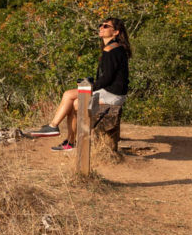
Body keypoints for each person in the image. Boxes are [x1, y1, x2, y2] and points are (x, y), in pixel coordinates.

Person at [29, 18, 131, 151]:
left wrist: (89, 87)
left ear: (116, 32)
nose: (101, 27)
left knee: (71, 97)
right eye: (100, 25)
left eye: (106, 26)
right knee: (74, 102)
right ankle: (68, 141)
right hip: (111, 91)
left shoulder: (112, 50)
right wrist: (90, 84)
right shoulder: (114, 48)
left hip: (113, 95)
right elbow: (108, 77)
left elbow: (107, 78)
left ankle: (54, 127)